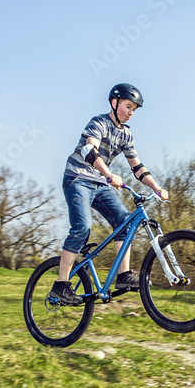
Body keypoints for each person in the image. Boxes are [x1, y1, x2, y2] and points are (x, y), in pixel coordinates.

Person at [49, 83, 169, 306]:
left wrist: (156, 188)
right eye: (128, 106)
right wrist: (108, 173)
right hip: (77, 178)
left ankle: (124, 275)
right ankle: (61, 285)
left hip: (100, 182)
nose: (131, 112)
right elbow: (88, 149)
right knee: (82, 227)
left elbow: (138, 168)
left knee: (123, 221)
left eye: (134, 109)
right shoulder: (99, 122)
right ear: (114, 103)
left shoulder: (126, 135)